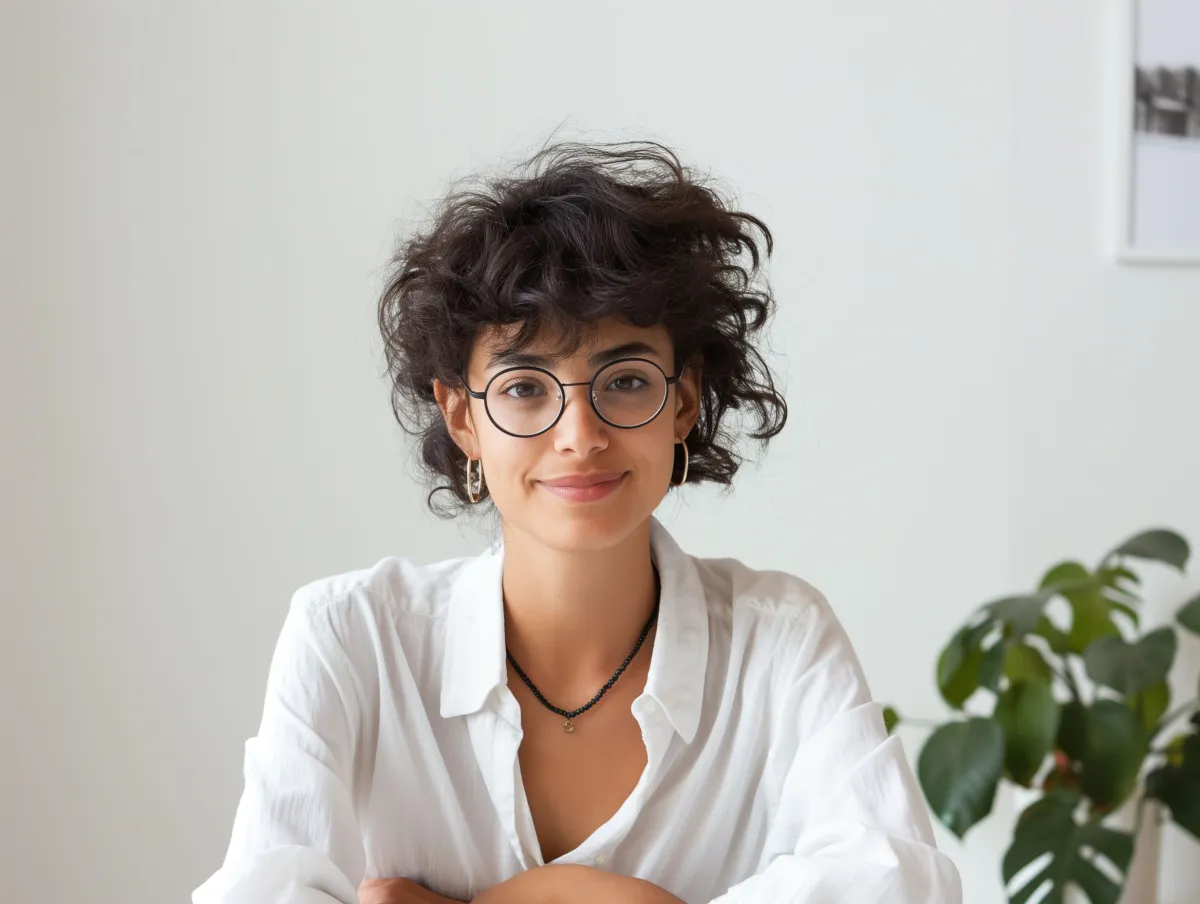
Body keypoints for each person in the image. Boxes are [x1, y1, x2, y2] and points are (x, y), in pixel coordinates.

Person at [192, 139, 962, 904]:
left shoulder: (778, 639)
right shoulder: (352, 639)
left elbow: (902, 885)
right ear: (462, 417)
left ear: (684, 403)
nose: (580, 434)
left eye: (625, 381)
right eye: (526, 387)